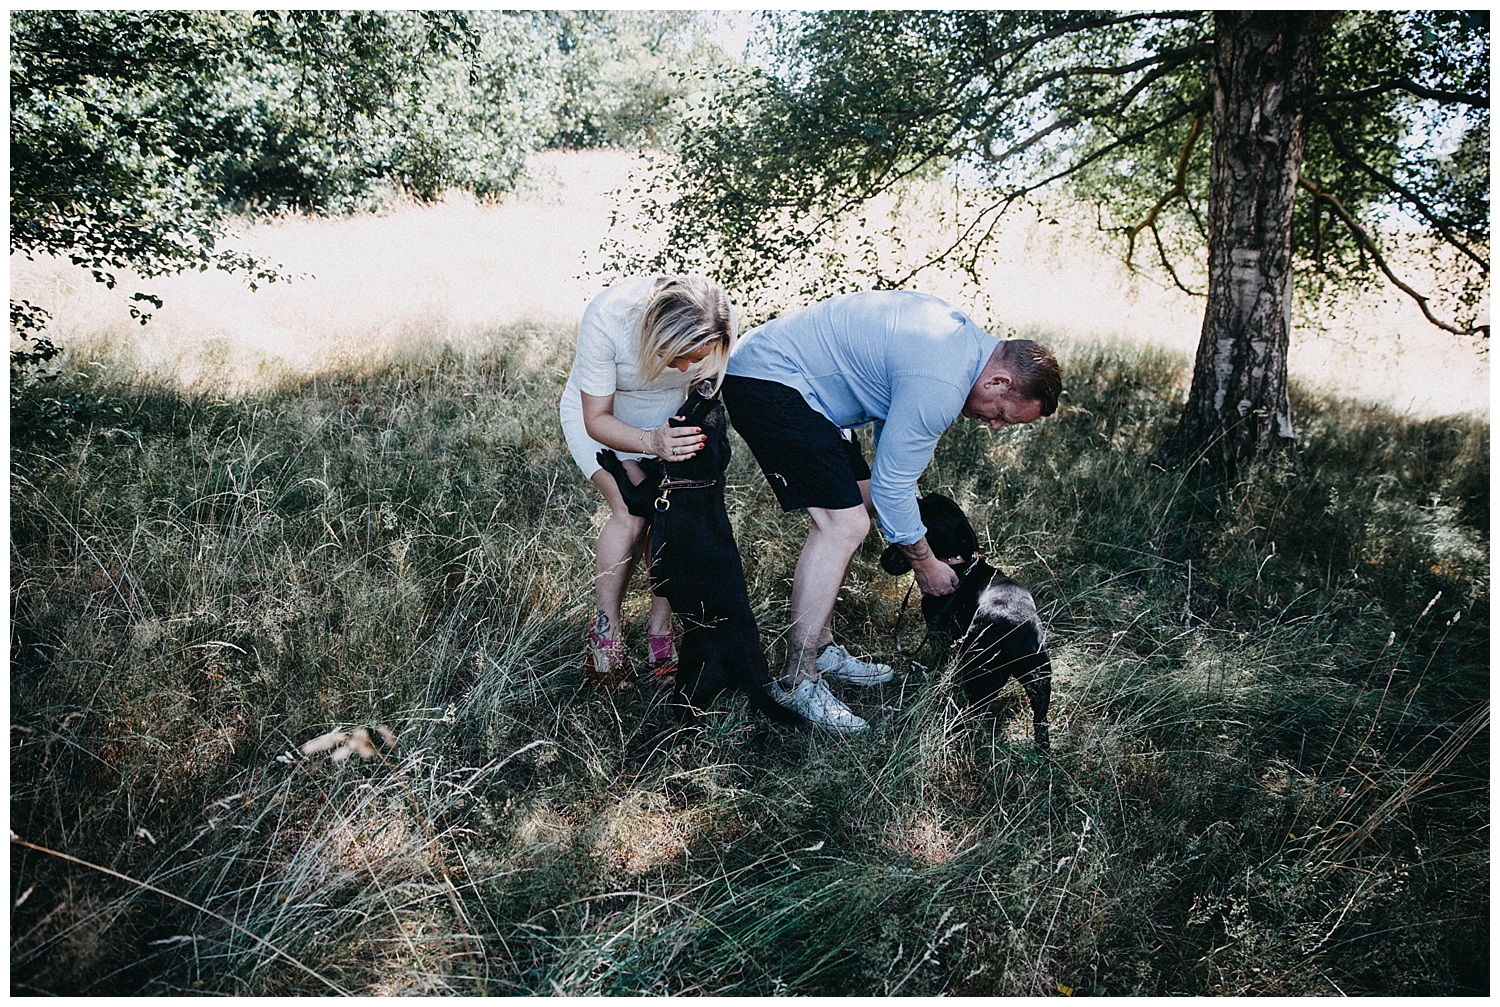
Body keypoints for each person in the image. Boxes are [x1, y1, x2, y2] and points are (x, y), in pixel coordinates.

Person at [721, 290, 1061, 733]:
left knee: (858, 504)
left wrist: (900, 505)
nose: (994, 426)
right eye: (1001, 414)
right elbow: (894, 486)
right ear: (999, 383)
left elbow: (890, 459)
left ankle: (820, 648)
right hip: (770, 380)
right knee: (843, 523)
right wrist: (924, 562)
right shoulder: (944, 382)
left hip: (805, 392)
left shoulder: (961, 343)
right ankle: (797, 679)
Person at [560, 275, 736, 688]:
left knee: (674, 516)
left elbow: (703, 392)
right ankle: (606, 635)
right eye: (674, 357)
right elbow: (596, 417)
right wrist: (649, 443)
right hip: (605, 420)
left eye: (695, 358)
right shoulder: (609, 317)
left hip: (669, 423)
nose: (683, 368)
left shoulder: (716, 321)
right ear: (655, 331)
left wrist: (675, 437)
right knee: (633, 514)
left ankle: (660, 630)